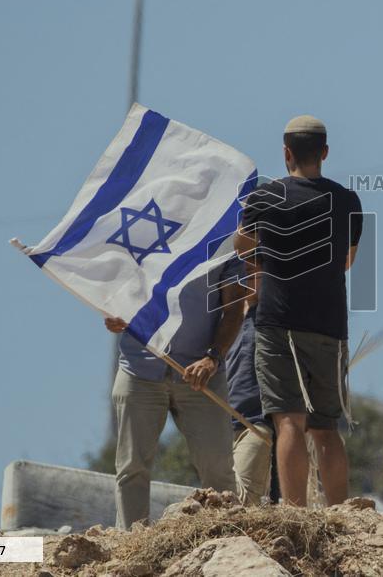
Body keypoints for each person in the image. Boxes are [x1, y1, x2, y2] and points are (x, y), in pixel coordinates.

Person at [234, 115, 362, 506]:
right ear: (324, 153)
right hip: (329, 325)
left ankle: (295, 513)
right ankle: (341, 513)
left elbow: (241, 245)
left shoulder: (263, 198)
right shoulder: (347, 201)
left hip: (278, 324)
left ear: (286, 153)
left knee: (288, 420)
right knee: (326, 427)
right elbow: (346, 262)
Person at [104, 258, 246, 529]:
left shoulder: (224, 242)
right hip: (139, 368)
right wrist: (114, 311)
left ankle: (229, 537)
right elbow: (117, 284)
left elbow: (234, 308)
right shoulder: (146, 233)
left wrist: (212, 358)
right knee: (131, 467)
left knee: (217, 466)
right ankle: (132, 544)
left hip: (202, 375)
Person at [225, 280, 273, 505]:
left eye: (255, 269)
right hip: (221, 426)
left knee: (242, 499)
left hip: (257, 423)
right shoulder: (228, 318)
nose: (248, 276)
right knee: (219, 499)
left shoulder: (274, 315)